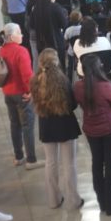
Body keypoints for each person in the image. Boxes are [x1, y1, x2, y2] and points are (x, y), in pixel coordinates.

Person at [30, 48, 83, 210]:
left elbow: (35, 104)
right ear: (56, 61)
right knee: (69, 165)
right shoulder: (63, 80)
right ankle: (73, 200)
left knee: (50, 163)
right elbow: (73, 104)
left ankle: (54, 200)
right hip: (65, 125)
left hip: (46, 126)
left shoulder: (35, 81)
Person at [73, 54, 111, 216]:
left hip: (91, 129)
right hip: (110, 129)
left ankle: (102, 202)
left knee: (97, 163)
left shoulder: (78, 87)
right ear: (98, 67)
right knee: (110, 165)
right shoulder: (105, 85)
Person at [0, 23, 42, 170]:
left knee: (14, 124)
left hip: (8, 93)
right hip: (22, 94)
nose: (22, 35)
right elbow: (27, 75)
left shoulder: (0, 51)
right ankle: (31, 160)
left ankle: (18, 157)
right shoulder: (21, 51)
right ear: (11, 36)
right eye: (19, 32)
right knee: (27, 126)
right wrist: (32, 91)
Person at [29, 0, 68, 65]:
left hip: (41, 45)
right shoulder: (56, 7)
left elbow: (31, 25)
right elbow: (64, 24)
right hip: (56, 43)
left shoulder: (36, 9)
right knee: (60, 67)